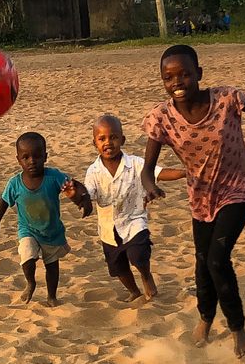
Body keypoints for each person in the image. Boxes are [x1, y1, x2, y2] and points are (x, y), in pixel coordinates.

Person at [141, 44, 245, 359]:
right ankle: (206, 318)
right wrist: (150, 186)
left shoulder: (227, 99)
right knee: (202, 261)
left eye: (184, 75)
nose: (177, 82)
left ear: (199, 74)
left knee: (218, 260)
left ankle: (237, 327)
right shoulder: (161, 117)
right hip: (201, 196)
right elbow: (147, 169)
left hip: (238, 188)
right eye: (168, 77)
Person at [79, 114, 185, 302]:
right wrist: (75, 194)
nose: (108, 142)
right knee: (118, 268)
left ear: (122, 140)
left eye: (113, 137)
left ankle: (146, 275)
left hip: (134, 220)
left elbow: (159, 172)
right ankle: (134, 291)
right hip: (108, 229)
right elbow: (88, 194)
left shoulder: (136, 163)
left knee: (138, 255)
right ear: (95, 143)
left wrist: (186, 173)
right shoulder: (93, 171)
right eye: (102, 139)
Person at [0, 132, 93, 307]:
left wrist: (84, 198)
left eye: (37, 156)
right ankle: (31, 282)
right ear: (18, 160)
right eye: (26, 157)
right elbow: (4, 202)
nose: (32, 161)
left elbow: (72, 186)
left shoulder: (53, 177)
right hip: (28, 229)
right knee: (27, 255)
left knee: (52, 266)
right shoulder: (15, 183)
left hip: (52, 231)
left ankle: (51, 296)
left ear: (45, 156)